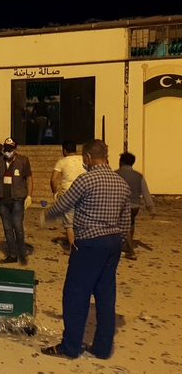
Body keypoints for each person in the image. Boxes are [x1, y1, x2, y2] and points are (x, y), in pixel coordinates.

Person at [40, 139, 130, 360]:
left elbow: (63, 205)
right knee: (106, 296)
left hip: (89, 243)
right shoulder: (121, 183)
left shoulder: (85, 180)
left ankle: (70, 347)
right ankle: (102, 348)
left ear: (88, 158)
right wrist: (118, 240)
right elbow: (126, 221)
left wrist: (46, 216)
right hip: (113, 243)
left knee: (75, 295)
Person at [0, 137, 33, 265]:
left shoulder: (23, 161)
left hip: (17, 198)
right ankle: (12, 254)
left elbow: (29, 178)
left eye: (10, 149)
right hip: (2, 198)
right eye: (6, 149)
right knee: (7, 228)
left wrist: (29, 196)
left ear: (15, 149)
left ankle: (21, 253)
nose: (8, 152)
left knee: (18, 226)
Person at [115, 152, 156, 261]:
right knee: (131, 224)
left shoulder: (115, 174)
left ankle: (130, 250)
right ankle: (129, 243)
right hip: (135, 206)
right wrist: (151, 208)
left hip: (121, 204)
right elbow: (145, 192)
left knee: (124, 226)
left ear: (122, 162)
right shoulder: (139, 176)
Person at [50, 141, 86, 233]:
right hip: (84, 193)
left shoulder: (61, 162)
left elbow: (53, 180)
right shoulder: (84, 160)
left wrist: (55, 193)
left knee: (69, 224)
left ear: (64, 151)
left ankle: (72, 244)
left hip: (68, 194)